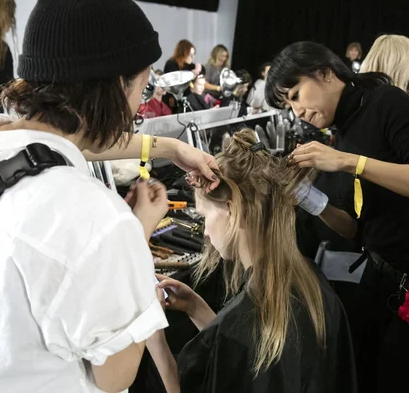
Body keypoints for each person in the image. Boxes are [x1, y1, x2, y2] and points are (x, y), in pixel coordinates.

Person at [0, 0, 219, 393]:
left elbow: (61, 144)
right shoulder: (95, 218)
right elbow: (116, 375)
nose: (139, 106)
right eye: (142, 90)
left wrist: (170, 147)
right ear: (114, 87)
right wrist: (136, 231)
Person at [265, 41, 409, 393]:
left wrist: (347, 162)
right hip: (381, 279)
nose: (296, 110)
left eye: (296, 94)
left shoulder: (385, 103)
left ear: (325, 73)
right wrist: (314, 202)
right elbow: (356, 230)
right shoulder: (343, 130)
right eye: (288, 105)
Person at [145, 128, 356, 393]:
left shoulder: (241, 324)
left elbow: (231, 352)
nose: (207, 232)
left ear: (232, 212)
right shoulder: (311, 282)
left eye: (204, 217)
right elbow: (237, 355)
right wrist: (195, 307)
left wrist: (155, 341)